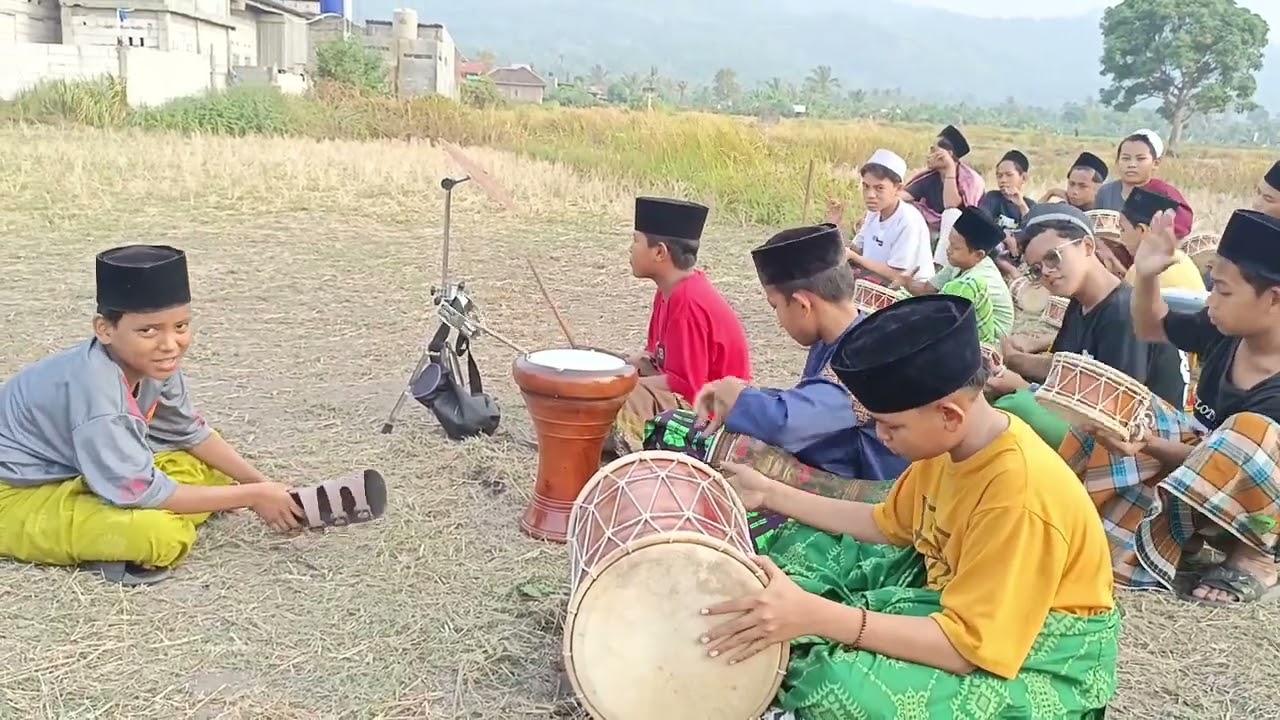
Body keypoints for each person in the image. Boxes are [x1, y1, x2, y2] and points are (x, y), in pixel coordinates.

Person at [701, 295, 1118, 720]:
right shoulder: (950, 447)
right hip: (956, 599)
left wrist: (821, 618)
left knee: (836, 687)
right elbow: (886, 523)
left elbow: (964, 649)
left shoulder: (1020, 496)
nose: (882, 437)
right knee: (798, 550)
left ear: (950, 415)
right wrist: (771, 493)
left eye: (892, 425)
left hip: (1032, 650)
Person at [0, 246, 304, 586]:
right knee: (160, 536)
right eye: (148, 330)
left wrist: (261, 484)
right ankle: (109, 545)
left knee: (205, 470)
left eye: (181, 326)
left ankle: (154, 509)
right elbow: (142, 491)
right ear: (104, 329)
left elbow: (190, 433)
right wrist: (252, 497)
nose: (170, 344)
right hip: (15, 495)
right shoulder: (98, 392)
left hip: (79, 475)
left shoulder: (153, 365)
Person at [1059, 208, 1280, 605]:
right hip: (1205, 467)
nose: (1210, 300)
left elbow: (1228, 458)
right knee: (1117, 410)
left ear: (1274, 299)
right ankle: (1065, 515)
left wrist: (1148, 445)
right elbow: (1151, 327)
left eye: (1224, 291)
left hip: (1261, 500)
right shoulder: (1226, 328)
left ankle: (1258, 556)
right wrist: (1146, 275)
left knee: (1249, 432)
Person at [643, 224, 907, 552]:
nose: (779, 319)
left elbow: (791, 422)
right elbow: (809, 402)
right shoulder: (848, 332)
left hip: (864, 488)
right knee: (679, 427)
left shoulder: (867, 352)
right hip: (830, 463)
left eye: (775, 307)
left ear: (802, 304)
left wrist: (737, 396)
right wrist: (739, 394)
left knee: (688, 437)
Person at [988, 204, 1185, 447]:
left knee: (1013, 408)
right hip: (1109, 423)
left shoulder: (1124, 312)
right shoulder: (1080, 301)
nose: (1047, 272)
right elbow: (1067, 366)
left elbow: (1115, 411)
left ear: (1088, 246)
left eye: (1053, 257)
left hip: (1142, 441)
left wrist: (1025, 388)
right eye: (1036, 269)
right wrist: (1016, 360)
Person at [612, 196, 752, 454]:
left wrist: (626, 382)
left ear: (659, 252)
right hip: (685, 394)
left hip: (711, 412)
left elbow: (689, 387)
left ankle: (630, 462)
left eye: (635, 241)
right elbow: (658, 359)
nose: (630, 249)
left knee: (626, 394)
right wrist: (636, 363)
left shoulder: (688, 304)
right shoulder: (668, 292)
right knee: (618, 371)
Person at [895, 206, 1015, 343]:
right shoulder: (959, 263)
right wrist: (908, 283)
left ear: (978, 255)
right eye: (950, 243)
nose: (948, 250)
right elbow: (926, 290)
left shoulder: (979, 279)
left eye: (956, 247)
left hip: (990, 341)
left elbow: (940, 312)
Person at [846, 149, 934, 284]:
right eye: (866, 187)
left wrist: (856, 258)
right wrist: (833, 225)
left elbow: (896, 275)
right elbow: (856, 249)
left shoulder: (908, 221)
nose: (870, 195)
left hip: (907, 293)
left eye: (879, 188)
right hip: (873, 282)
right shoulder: (874, 212)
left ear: (898, 188)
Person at [1094, 129, 1194, 240]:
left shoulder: (1164, 192)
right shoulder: (1106, 191)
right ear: (1117, 162)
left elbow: (1182, 228)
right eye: (1126, 158)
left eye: (1140, 159)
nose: (1132, 164)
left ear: (1155, 163)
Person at [901, 125, 986, 237]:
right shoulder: (929, 177)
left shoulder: (971, 181)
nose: (928, 155)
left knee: (951, 215)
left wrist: (950, 168)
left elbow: (951, 206)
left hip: (964, 234)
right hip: (933, 232)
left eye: (933, 151)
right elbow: (902, 197)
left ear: (947, 154)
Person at [1040, 151, 1109, 211]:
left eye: (1082, 186)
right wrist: (1050, 193)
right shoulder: (1062, 209)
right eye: (1071, 184)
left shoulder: (1107, 213)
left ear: (1098, 188)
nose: (1074, 191)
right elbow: (1032, 216)